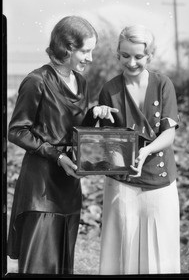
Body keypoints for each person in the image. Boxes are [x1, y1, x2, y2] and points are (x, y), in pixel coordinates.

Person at [7, 15, 118, 275]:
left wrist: (95, 114)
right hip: (41, 188)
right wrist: (56, 156)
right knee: (39, 265)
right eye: (85, 51)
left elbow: (76, 131)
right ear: (67, 48)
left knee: (63, 263)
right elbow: (16, 131)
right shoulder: (37, 81)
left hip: (69, 184)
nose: (90, 58)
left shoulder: (81, 82)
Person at [98, 25, 180, 275]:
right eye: (125, 56)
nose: (131, 62)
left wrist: (145, 152)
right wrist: (99, 119)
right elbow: (106, 140)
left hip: (159, 180)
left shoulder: (163, 84)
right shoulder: (109, 90)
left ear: (150, 56)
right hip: (122, 183)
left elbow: (169, 133)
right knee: (123, 250)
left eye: (138, 56)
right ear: (117, 54)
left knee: (160, 254)